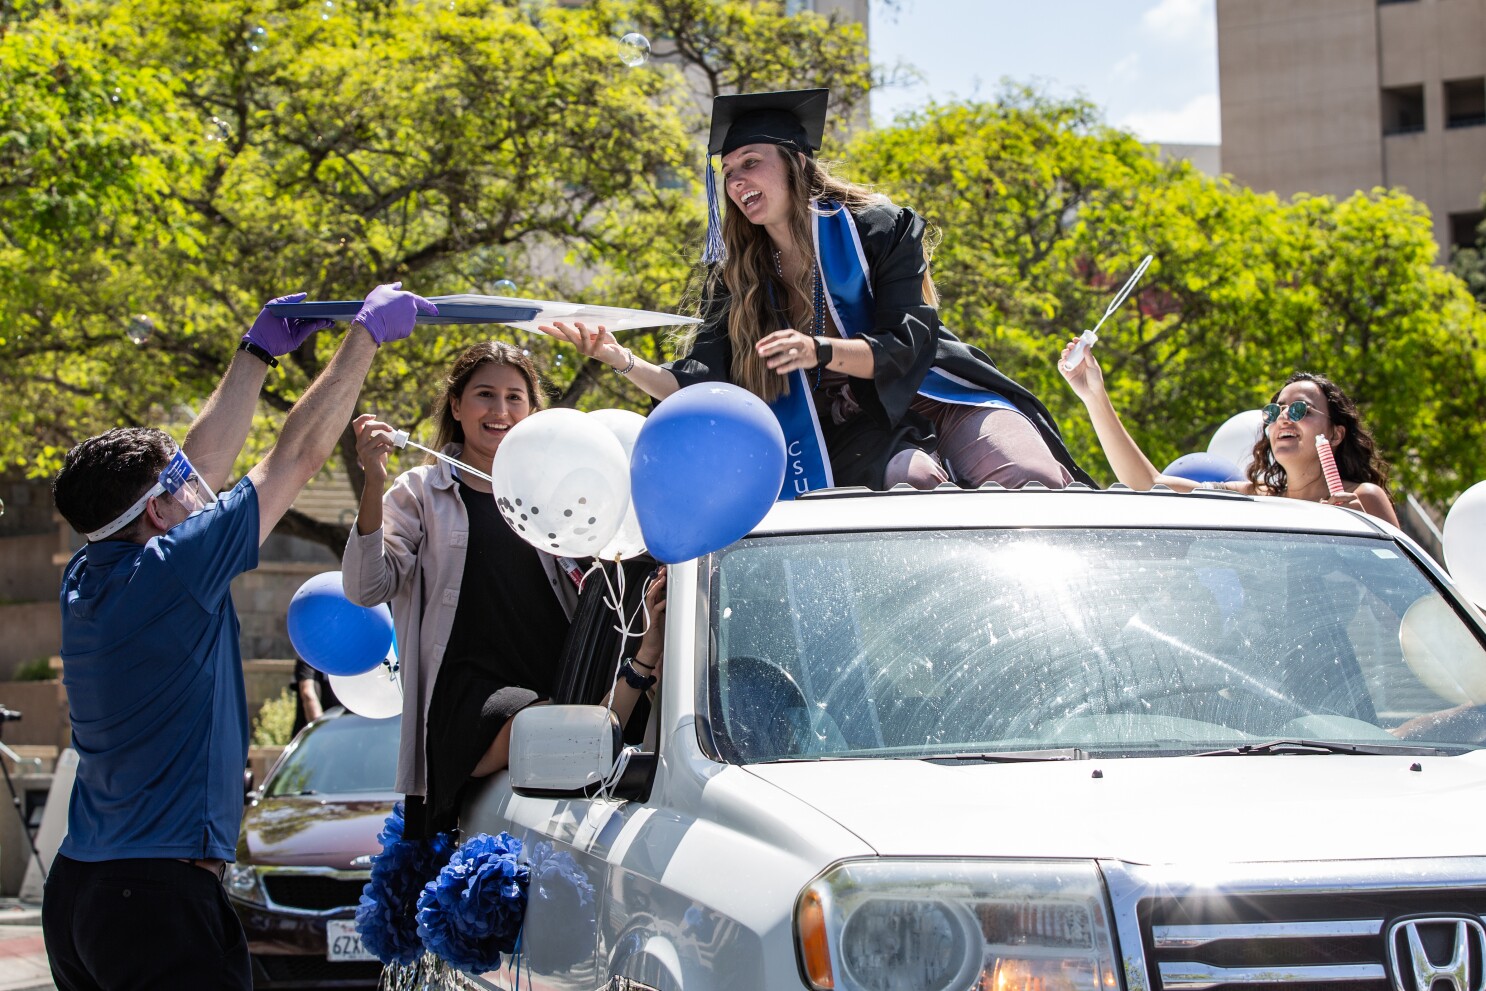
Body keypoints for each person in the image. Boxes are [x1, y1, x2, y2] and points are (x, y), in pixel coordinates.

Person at [45, 284, 434, 990]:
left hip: (87, 889)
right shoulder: (174, 570)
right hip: (154, 898)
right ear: (159, 513)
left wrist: (257, 351)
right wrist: (365, 338)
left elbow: (191, 466)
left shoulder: (92, 571)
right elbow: (295, 457)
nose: (203, 489)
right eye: (183, 487)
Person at [539, 88, 1090, 496]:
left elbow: (908, 344)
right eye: (728, 172)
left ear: (796, 163)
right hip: (849, 428)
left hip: (937, 394)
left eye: (751, 164)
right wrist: (620, 359)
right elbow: (703, 387)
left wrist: (817, 350)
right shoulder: (735, 277)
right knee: (917, 483)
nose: (736, 182)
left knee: (1033, 480)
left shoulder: (878, 228)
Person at [342, 341, 663, 839]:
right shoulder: (419, 491)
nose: (500, 411)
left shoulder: (560, 485)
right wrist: (371, 481)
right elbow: (367, 587)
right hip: (472, 692)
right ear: (456, 405)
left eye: (515, 397)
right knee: (551, 735)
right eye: (485, 395)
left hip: (560, 675)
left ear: (534, 410)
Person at [1057, 344, 1399, 525]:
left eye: (1299, 410)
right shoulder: (1256, 497)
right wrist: (1093, 395)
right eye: (1274, 412)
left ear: (1336, 434)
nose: (1284, 419)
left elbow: (1402, 596)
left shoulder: (1363, 498)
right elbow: (1149, 484)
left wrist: (1361, 524)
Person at [291, 655, 340, 736]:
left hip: (342, 733)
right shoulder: (308, 657)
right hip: (311, 737)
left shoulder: (350, 662)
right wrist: (321, 732)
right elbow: (308, 694)